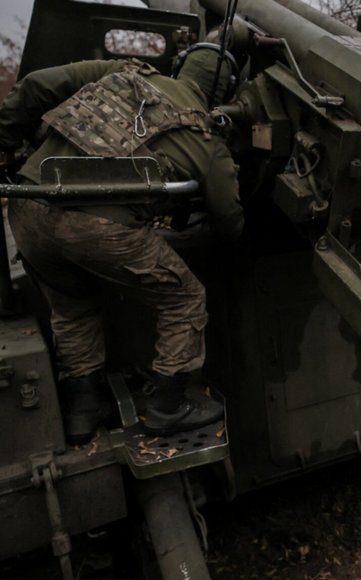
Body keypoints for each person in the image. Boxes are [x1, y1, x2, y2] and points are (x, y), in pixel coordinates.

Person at [0, 44, 244, 443]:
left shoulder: (122, 71)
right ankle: (169, 405)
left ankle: (83, 409)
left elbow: (35, 85)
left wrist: (4, 142)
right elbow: (229, 222)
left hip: (28, 207)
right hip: (98, 229)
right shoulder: (204, 135)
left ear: (181, 65)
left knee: (72, 306)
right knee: (184, 298)